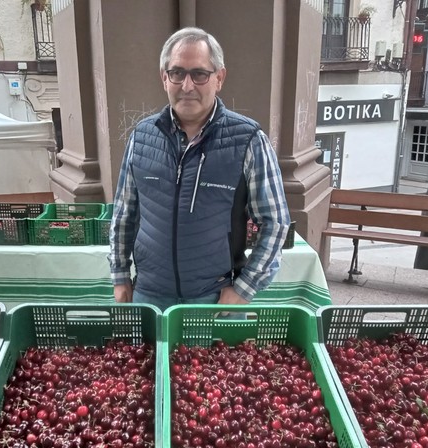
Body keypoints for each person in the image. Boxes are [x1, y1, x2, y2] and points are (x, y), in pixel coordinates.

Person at [109, 26, 291, 313]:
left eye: (200, 74)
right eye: (177, 73)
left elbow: (275, 222)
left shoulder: (248, 141)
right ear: (164, 78)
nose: (187, 86)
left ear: (219, 78)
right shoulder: (141, 137)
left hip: (214, 301)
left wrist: (244, 290)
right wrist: (120, 276)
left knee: (212, 361)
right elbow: (123, 214)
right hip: (148, 297)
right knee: (150, 359)